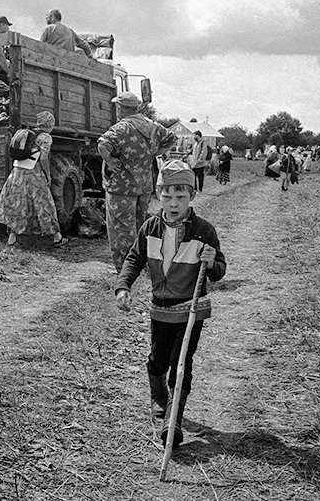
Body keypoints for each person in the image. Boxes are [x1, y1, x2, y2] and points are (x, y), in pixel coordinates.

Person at [115, 159, 226, 448]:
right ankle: (159, 398)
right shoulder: (149, 227)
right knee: (157, 360)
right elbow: (134, 259)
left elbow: (219, 269)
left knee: (180, 364)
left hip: (191, 309)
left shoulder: (204, 231)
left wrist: (212, 263)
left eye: (181, 196)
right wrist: (123, 286)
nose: (173, 203)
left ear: (192, 196)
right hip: (159, 308)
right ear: (157, 194)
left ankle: (173, 421)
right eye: (166, 196)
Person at [98, 91, 177, 272]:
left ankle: (126, 269)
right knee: (140, 225)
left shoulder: (121, 128)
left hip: (121, 186)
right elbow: (172, 139)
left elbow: (102, 144)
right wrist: (153, 153)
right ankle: (142, 262)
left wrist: (110, 161)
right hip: (143, 184)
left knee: (121, 229)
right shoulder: (152, 126)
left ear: (122, 108)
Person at [0, 111, 68, 248]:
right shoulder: (45, 137)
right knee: (44, 203)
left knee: (16, 203)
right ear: (50, 124)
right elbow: (44, 157)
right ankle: (56, 237)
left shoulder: (26, 133)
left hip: (17, 172)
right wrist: (48, 174)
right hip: (34, 173)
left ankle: (12, 237)